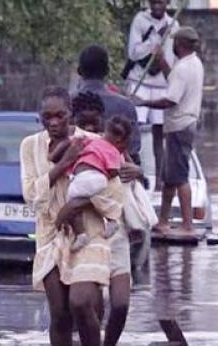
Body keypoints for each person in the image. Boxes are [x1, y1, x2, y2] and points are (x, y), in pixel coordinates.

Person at [20, 86, 125, 346]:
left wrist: (76, 205)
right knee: (59, 314)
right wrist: (64, 162)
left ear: (71, 114)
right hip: (50, 233)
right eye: (47, 117)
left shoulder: (92, 141)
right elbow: (32, 195)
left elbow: (112, 191)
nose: (54, 122)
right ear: (40, 117)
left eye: (60, 115)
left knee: (80, 302)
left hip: (89, 232)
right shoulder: (30, 146)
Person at [68, 91, 139, 346]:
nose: (89, 129)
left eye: (94, 124)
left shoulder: (113, 148)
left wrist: (136, 171)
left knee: (120, 303)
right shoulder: (75, 147)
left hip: (115, 233)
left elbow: (130, 174)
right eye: (83, 124)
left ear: (102, 121)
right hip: (87, 235)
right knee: (89, 304)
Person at [132, 26, 204, 238]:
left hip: (180, 127)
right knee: (169, 177)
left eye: (174, 42)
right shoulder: (192, 63)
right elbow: (173, 80)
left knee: (180, 177)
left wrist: (143, 102)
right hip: (181, 125)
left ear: (179, 45)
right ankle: (163, 221)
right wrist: (161, 60)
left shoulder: (184, 69)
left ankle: (188, 226)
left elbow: (170, 99)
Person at [49, 113, 132, 252]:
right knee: (86, 202)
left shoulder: (103, 146)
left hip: (89, 177)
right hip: (93, 179)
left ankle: (79, 233)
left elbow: (114, 171)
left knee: (70, 202)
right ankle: (109, 220)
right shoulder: (105, 147)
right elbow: (113, 170)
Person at [124, 0, 179, 190]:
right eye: (154, 2)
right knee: (133, 128)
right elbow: (133, 53)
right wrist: (153, 41)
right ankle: (134, 173)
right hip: (140, 81)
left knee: (159, 133)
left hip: (161, 85)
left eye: (161, 2)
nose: (157, 6)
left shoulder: (174, 25)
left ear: (167, 3)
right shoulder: (140, 21)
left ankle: (159, 181)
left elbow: (173, 59)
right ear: (150, 2)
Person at [76, 45, 141, 165]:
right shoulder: (125, 105)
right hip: (117, 172)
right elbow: (134, 148)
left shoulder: (64, 104)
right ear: (107, 71)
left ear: (79, 71)